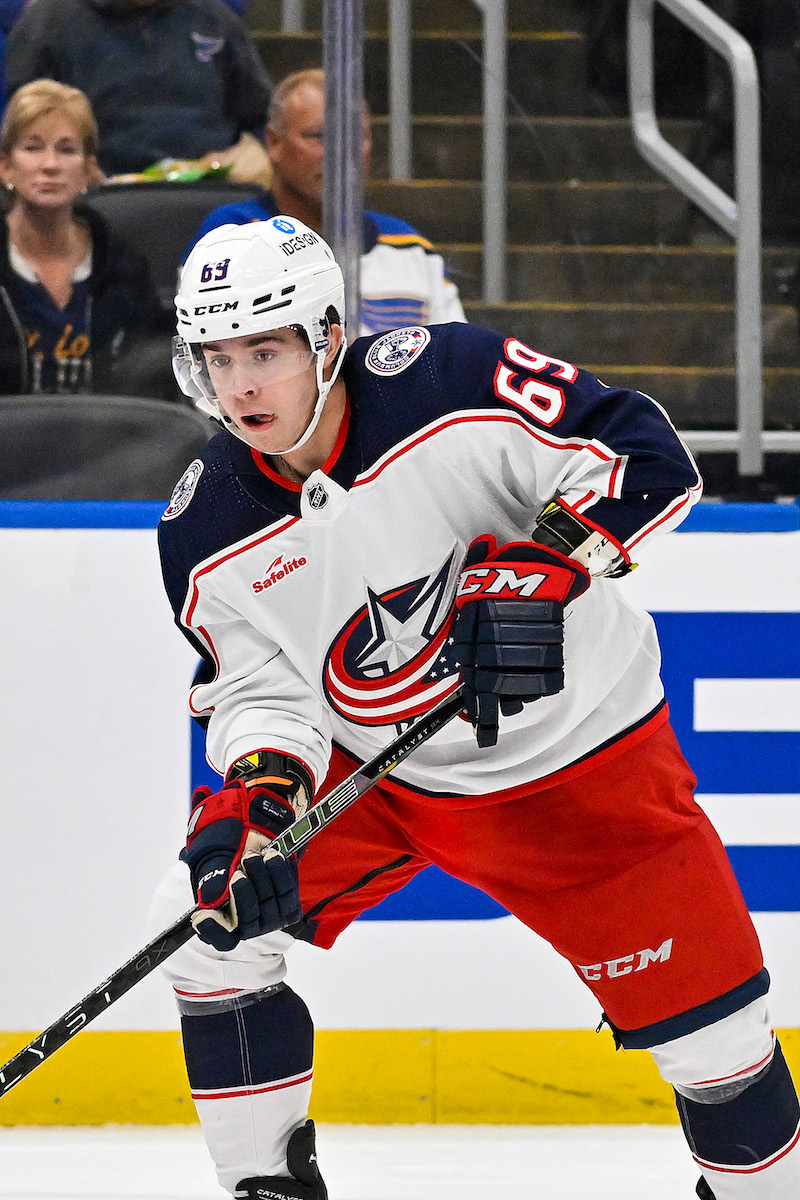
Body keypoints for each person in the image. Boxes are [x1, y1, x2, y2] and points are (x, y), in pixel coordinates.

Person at [151, 216, 800, 1200]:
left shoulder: (448, 380)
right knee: (205, 922)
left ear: (327, 337)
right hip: (383, 774)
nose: (239, 386)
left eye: (266, 351)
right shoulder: (203, 523)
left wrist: (544, 563)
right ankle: (265, 1188)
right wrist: (259, 792)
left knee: (718, 1051)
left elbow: (640, 456)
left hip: (584, 771)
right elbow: (258, 690)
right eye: (217, 358)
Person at [188, 68, 466, 335]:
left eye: (357, 137)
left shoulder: (411, 248)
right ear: (273, 143)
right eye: (320, 137)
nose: (343, 153)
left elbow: (455, 364)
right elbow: (209, 359)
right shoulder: (230, 238)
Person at [0, 78, 168, 395]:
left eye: (67, 150)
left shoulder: (123, 267)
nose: (50, 165)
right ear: (6, 166)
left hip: (108, 442)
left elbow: (151, 381)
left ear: (89, 169)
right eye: (33, 147)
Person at [4, 0, 271, 180]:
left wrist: (254, 150)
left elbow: (263, 118)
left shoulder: (214, 17)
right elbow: (19, 127)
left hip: (209, 187)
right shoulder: (50, 21)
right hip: (96, 193)